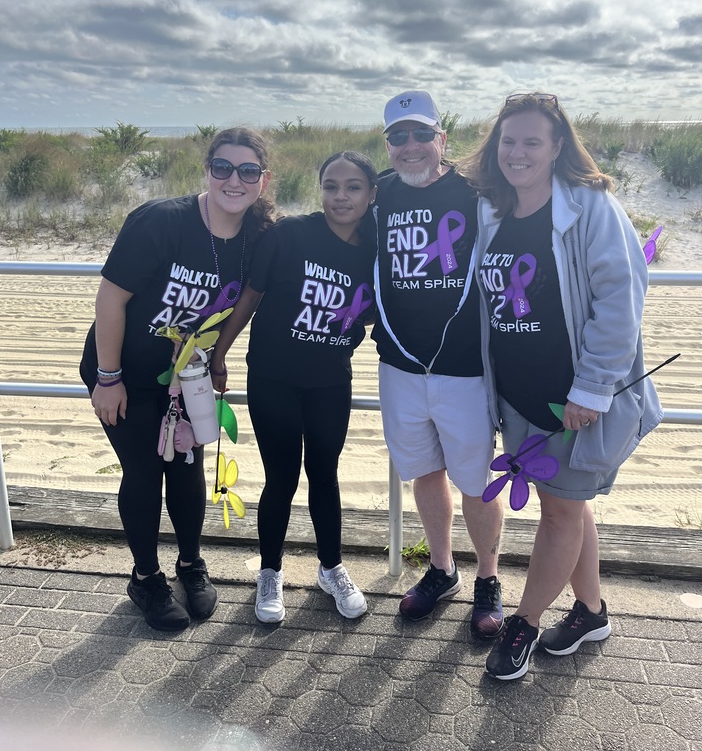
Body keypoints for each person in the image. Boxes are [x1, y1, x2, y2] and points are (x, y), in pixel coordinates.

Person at [465, 91, 662, 680]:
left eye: (531, 141)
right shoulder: (493, 211)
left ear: (556, 147)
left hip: (574, 399)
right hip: (518, 396)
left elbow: (620, 301)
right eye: (508, 140)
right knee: (567, 508)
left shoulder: (590, 208)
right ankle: (592, 611)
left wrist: (593, 389)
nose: (517, 152)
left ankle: (522, 627)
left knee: (560, 515)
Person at [80, 127, 274, 632]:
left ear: (263, 180)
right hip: (124, 370)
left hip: (187, 374)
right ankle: (145, 578)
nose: (235, 179)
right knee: (143, 471)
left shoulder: (258, 235)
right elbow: (111, 298)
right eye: (223, 168)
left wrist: (219, 356)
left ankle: (191, 564)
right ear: (206, 170)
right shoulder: (162, 221)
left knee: (187, 470)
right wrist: (108, 377)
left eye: (248, 170)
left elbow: (246, 301)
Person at [210, 151, 378, 623]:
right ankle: (270, 572)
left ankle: (331, 567)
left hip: (330, 380)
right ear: (319, 188)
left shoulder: (374, 250)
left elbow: (375, 309)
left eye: (353, 187)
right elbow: (249, 298)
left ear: (371, 194)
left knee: (324, 474)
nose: (340, 196)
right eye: (331, 186)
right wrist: (220, 353)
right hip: (273, 376)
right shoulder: (289, 235)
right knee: (280, 478)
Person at [373, 90, 505, 635]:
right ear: (388, 144)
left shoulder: (476, 191)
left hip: (465, 369)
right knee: (425, 474)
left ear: (440, 139)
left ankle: (489, 581)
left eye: (421, 134)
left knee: (475, 482)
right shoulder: (376, 194)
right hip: (399, 367)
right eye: (398, 136)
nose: (410, 146)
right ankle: (442, 569)